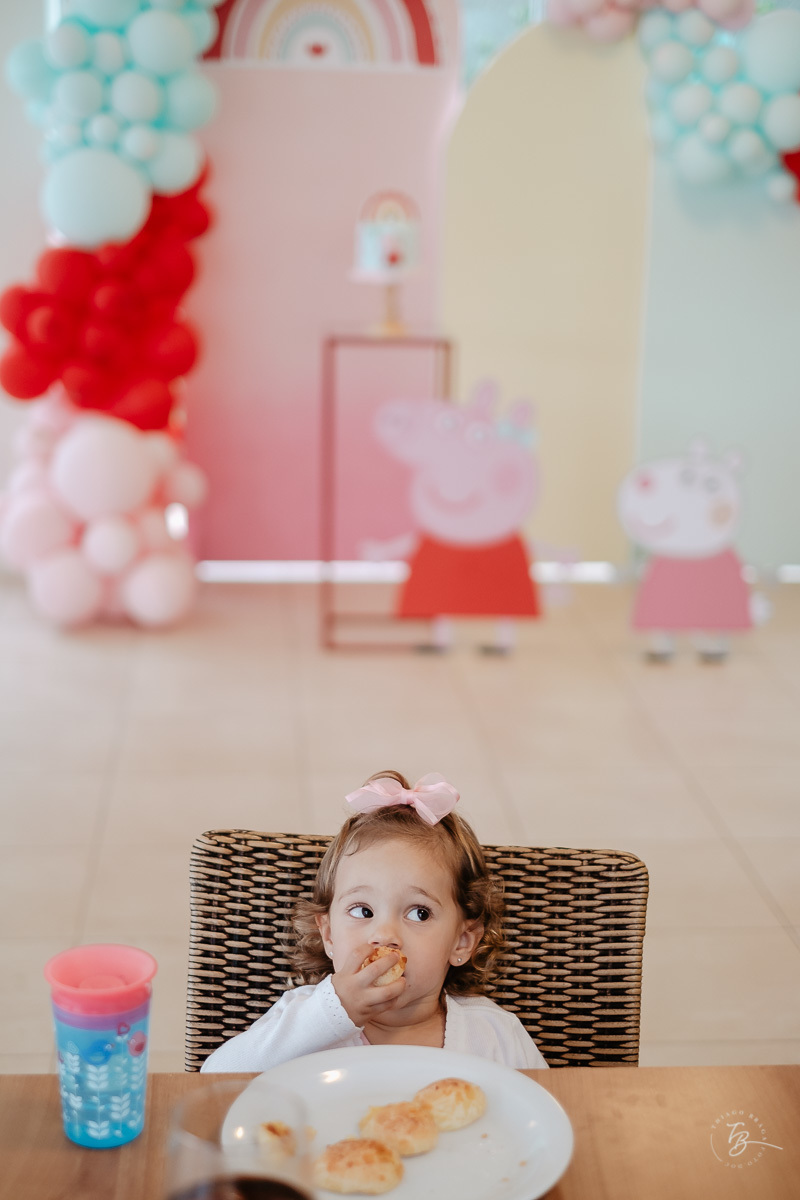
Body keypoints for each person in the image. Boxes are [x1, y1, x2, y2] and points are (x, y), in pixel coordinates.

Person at [201, 771, 548, 1072]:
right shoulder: (306, 1021)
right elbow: (215, 1076)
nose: (384, 935)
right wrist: (331, 1013)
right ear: (329, 935)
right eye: (363, 911)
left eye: (419, 913)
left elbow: (551, 1107)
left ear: (462, 941)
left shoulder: (493, 1035)